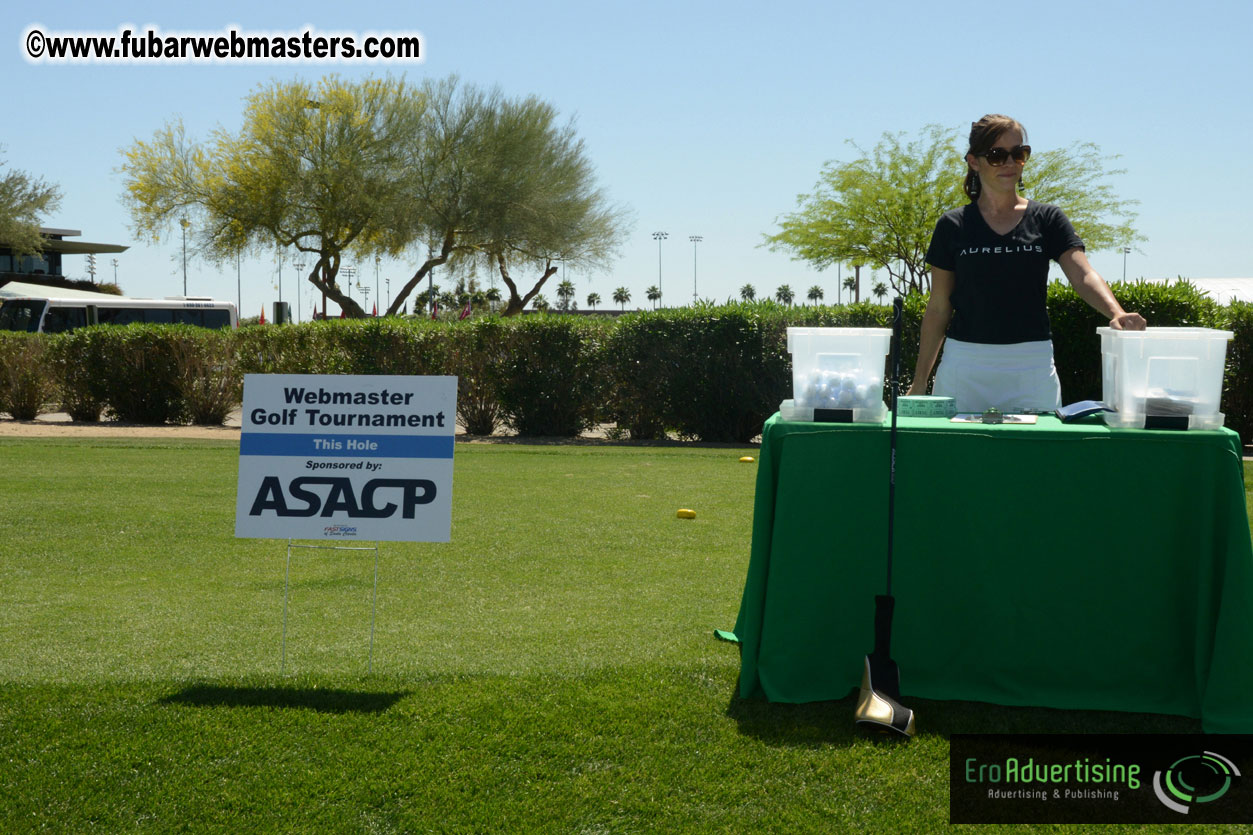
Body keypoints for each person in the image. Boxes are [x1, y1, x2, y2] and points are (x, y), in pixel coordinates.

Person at [906, 114, 1145, 412]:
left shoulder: (1048, 218)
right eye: (996, 155)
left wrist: (1116, 312)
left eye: (1018, 153)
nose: (1009, 163)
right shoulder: (951, 225)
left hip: (1032, 368)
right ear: (974, 162)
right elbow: (939, 307)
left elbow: (1082, 273)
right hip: (964, 366)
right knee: (959, 458)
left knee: (1037, 458)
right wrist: (919, 382)